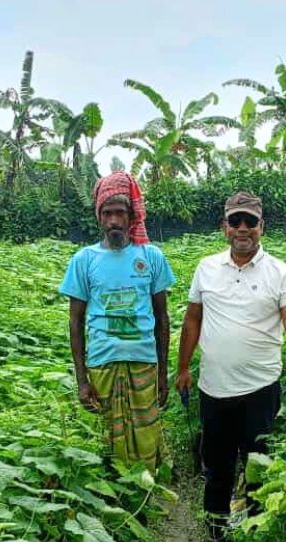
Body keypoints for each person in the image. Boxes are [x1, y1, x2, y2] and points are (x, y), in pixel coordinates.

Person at [176, 191, 286, 542]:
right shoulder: (206, 268)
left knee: (259, 466)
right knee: (218, 468)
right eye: (235, 221)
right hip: (214, 388)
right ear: (224, 227)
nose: (243, 228)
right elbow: (192, 319)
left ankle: (258, 541)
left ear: (262, 227)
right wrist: (182, 369)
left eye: (250, 222)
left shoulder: (279, 272)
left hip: (261, 389)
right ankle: (215, 537)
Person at [59, 172, 176, 473]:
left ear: (130, 216)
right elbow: (75, 322)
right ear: (99, 217)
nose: (113, 221)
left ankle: (147, 490)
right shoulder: (84, 260)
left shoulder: (150, 256)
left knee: (146, 429)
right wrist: (82, 381)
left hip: (143, 361)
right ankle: (113, 498)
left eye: (119, 213)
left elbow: (162, 318)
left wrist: (163, 373)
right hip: (102, 363)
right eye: (107, 213)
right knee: (106, 435)